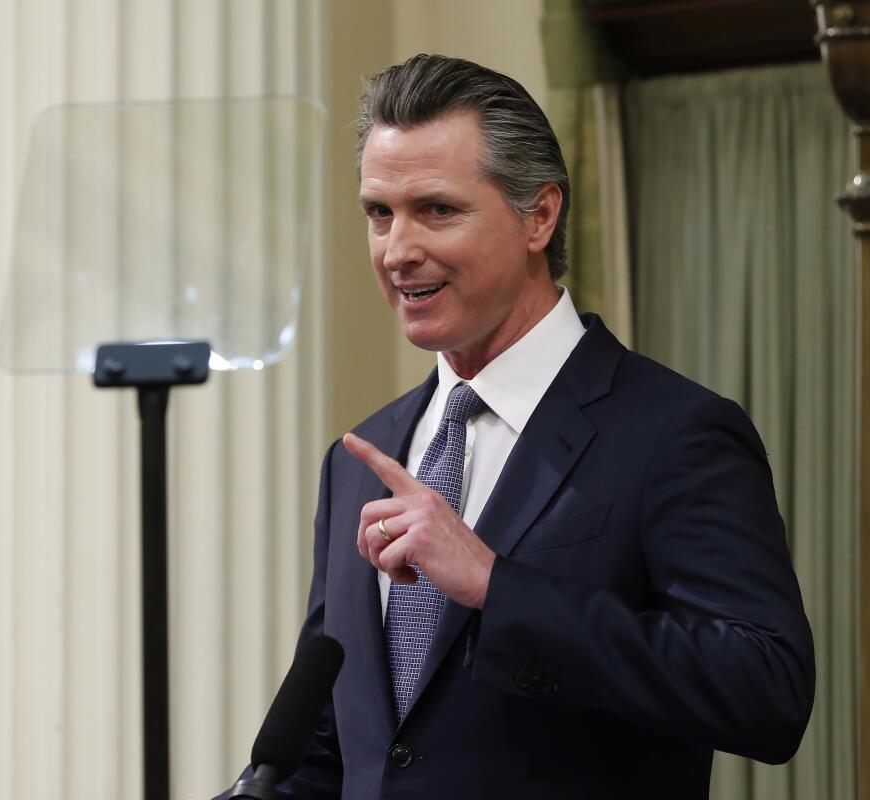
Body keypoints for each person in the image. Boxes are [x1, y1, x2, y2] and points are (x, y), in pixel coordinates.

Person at [243, 53, 814, 799]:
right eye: (380, 213)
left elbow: (765, 691)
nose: (397, 249)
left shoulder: (674, 434)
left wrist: (493, 586)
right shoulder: (360, 459)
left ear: (539, 216)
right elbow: (336, 756)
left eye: (437, 209)